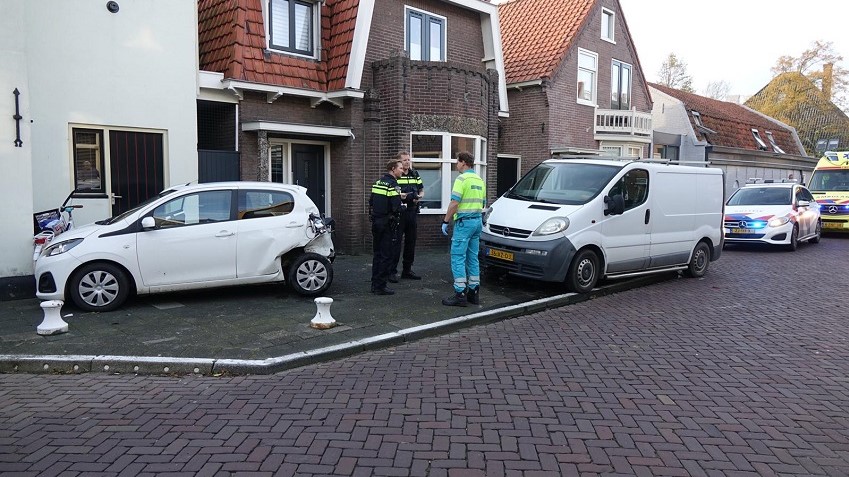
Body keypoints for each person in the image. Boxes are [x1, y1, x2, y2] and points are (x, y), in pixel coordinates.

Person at [441, 151, 486, 306]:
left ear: (463, 162)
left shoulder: (461, 179)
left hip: (464, 224)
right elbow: (483, 203)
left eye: (458, 162)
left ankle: (460, 294)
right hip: (477, 222)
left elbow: (454, 203)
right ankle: (474, 293)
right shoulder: (480, 180)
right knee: (473, 258)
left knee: (458, 257)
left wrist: (445, 220)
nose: (456, 164)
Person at [369, 159, 405, 295]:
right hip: (387, 224)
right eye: (400, 168)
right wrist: (403, 207)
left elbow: (371, 201)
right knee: (386, 255)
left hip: (376, 222)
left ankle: (374, 283)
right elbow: (396, 207)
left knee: (377, 254)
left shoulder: (378, 183)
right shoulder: (393, 185)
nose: (402, 170)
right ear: (393, 169)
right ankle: (380, 286)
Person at [389, 151, 425, 282]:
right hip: (399, 212)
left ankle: (407, 270)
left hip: (412, 211)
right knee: (396, 243)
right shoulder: (396, 175)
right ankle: (392, 271)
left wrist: (419, 197)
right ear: (399, 161)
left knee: (411, 242)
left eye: (408, 160)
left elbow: (421, 189)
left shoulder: (415, 174)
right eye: (404, 160)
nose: (407, 162)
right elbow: (392, 192)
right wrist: (401, 196)